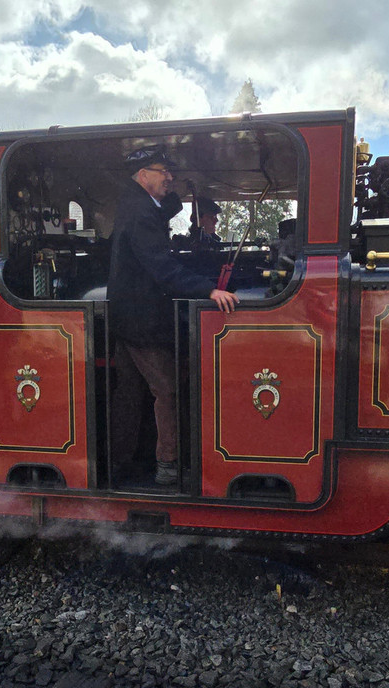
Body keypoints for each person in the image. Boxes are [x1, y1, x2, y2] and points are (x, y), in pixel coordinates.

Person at [107, 148, 239, 486]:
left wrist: (172, 194)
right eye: (162, 171)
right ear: (142, 174)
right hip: (141, 321)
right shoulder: (140, 213)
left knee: (129, 393)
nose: (169, 177)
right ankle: (168, 464)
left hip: (127, 316)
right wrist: (208, 290)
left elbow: (169, 207)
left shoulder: (138, 205)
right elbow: (162, 268)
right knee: (166, 391)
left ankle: (119, 462)